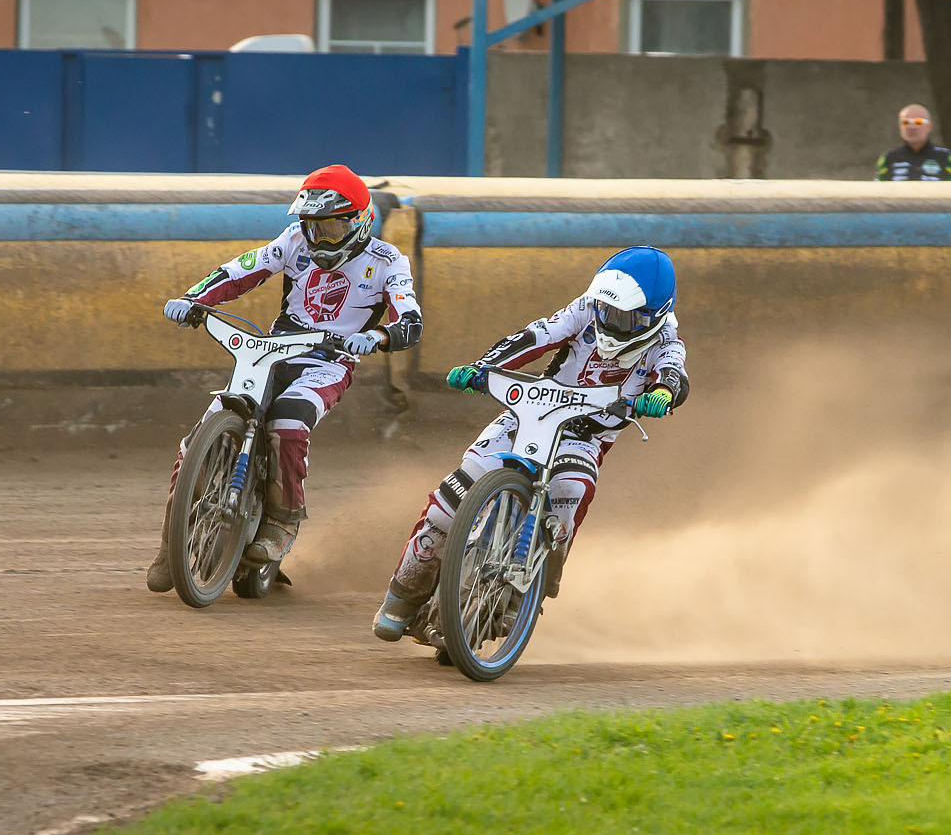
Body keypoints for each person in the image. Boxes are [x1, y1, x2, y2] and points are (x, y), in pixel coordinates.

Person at [373, 248, 689, 641]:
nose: (610, 320)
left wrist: (662, 393)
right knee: (450, 499)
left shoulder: (667, 342)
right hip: (527, 416)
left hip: (584, 437)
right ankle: (403, 594)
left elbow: (673, 375)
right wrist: (483, 367)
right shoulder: (584, 309)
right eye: (607, 310)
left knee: (571, 492)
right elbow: (535, 336)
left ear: (655, 315)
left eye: (626, 317)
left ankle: (530, 594)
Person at [144, 164, 419, 592]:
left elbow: (411, 322)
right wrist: (193, 299)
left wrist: (379, 336)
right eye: (311, 227)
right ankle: (171, 541)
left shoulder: (388, 262)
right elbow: (241, 271)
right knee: (197, 435)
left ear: (360, 221)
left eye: (329, 228)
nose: (318, 239)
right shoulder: (292, 243)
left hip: (331, 360)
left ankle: (280, 523)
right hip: (273, 350)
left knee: (288, 424)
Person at [874, 103, 951, 181]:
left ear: (929, 127)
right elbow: (877, 193)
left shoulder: (947, 157)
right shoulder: (888, 158)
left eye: (918, 122)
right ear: (900, 127)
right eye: (906, 122)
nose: (912, 127)